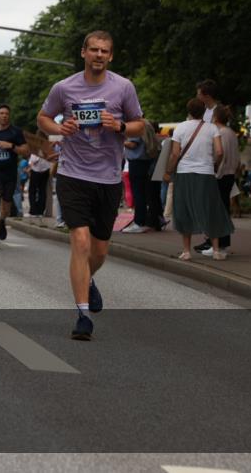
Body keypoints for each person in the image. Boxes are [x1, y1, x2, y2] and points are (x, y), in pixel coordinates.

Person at [38, 30, 145, 341]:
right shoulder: (64, 87)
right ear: (83, 52)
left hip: (108, 177)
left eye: (105, 51)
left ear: (110, 56)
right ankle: (83, 314)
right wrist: (59, 128)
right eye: (94, 50)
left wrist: (121, 125)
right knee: (81, 243)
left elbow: (140, 123)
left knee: (99, 251)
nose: (99, 55)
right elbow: (43, 118)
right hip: (73, 174)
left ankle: (88, 281)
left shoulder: (123, 87)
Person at [167, 98, 234, 260]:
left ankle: (186, 251)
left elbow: (175, 153)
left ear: (188, 111)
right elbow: (219, 152)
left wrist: (169, 170)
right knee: (211, 209)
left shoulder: (180, 128)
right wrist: (215, 166)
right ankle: (216, 250)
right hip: (206, 173)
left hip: (184, 174)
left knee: (184, 210)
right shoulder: (212, 128)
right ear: (204, 111)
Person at [0, 104, 29, 249]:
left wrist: (11, 146)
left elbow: (26, 151)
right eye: (1, 113)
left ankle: (2, 220)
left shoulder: (16, 132)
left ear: (9, 116)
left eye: (6, 114)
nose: (4, 116)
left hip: (10, 174)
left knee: (6, 206)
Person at [196, 106, 239, 254]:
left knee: (216, 210)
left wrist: (214, 170)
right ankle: (221, 243)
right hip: (229, 175)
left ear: (215, 118)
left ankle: (217, 245)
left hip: (220, 175)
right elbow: (235, 158)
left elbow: (220, 154)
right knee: (223, 209)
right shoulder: (231, 133)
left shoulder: (220, 133)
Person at [121, 118, 156, 233]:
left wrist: (120, 141)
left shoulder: (136, 126)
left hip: (137, 162)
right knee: (143, 193)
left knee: (138, 193)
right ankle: (146, 220)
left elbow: (132, 144)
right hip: (146, 161)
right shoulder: (146, 124)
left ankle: (139, 222)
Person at [27, 139, 56, 218]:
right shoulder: (48, 148)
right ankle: (40, 210)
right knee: (42, 191)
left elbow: (33, 161)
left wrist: (28, 168)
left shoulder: (37, 149)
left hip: (36, 171)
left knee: (32, 191)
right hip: (45, 171)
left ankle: (33, 210)